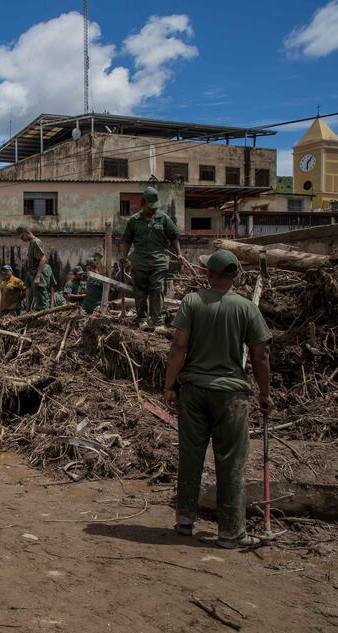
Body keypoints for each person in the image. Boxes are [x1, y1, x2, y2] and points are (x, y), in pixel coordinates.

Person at [163, 249, 272, 549]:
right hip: (231, 395)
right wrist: (265, 393)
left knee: (190, 456)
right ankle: (230, 532)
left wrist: (169, 385)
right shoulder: (247, 309)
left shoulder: (192, 302)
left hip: (194, 391)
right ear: (235, 277)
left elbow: (178, 347)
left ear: (208, 274)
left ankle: (184, 519)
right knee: (231, 462)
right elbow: (261, 356)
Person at [122, 186, 180, 332]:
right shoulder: (134, 221)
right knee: (140, 291)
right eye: (150, 206)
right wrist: (124, 257)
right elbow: (127, 240)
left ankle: (157, 321)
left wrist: (179, 253)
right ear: (142, 203)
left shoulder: (164, 218)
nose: (153, 209)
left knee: (157, 289)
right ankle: (142, 320)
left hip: (158, 261)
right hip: (140, 261)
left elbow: (174, 237)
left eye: (155, 207)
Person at [19, 225, 54, 311]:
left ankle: (43, 319)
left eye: (22, 236)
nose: (22, 239)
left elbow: (43, 258)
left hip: (38, 272)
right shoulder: (31, 242)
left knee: (41, 300)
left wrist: (38, 276)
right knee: (33, 298)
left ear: (27, 233)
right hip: (32, 271)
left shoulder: (36, 242)